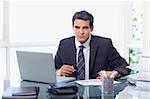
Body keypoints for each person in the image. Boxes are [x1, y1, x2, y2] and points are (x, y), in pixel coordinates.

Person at [55, 10, 131, 80]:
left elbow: (125, 67)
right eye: (77, 28)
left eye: (85, 28)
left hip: (96, 91)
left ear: (91, 28)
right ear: (73, 28)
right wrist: (59, 72)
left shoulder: (105, 45)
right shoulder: (64, 45)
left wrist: (114, 73)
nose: (81, 32)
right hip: (70, 92)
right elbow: (52, 70)